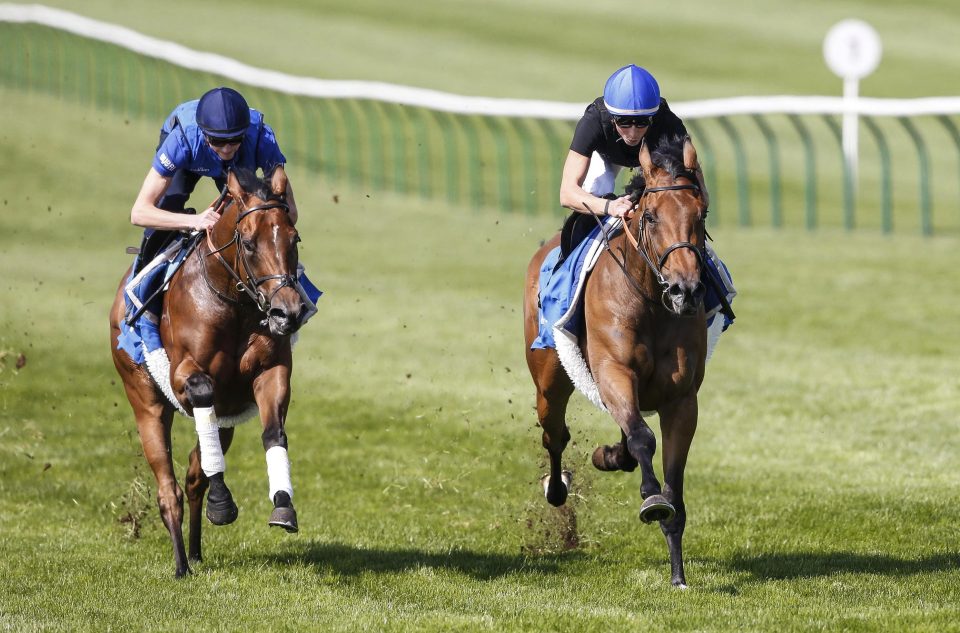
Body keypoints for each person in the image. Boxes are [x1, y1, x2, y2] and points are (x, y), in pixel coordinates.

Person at [533, 64, 734, 355]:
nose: (633, 131)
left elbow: (698, 191)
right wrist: (609, 205)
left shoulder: (668, 124)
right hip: (606, 160)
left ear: (653, 117)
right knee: (590, 209)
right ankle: (556, 304)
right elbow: (568, 192)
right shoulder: (594, 122)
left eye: (641, 123)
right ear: (611, 117)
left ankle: (716, 297)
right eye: (624, 123)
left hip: (655, 168)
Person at [120, 87, 318, 363]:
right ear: (204, 134)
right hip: (190, 161)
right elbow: (139, 212)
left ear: (244, 133)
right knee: (162, 223)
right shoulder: (183, 140)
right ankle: (138, 312)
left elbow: (290, 213)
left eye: (234, 141)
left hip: (240, 171)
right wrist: (195, 221)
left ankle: (290, 296)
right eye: (217, 141)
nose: (225, 149)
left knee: (269, 231)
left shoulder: (260, 137)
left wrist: (260, 221)